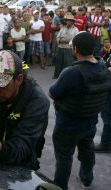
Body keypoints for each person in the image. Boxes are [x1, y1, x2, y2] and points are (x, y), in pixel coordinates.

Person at [49, 32, 111, 190]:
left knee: (64, 158)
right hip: (90, 122)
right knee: (87, 150)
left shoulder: (71, 72)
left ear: (75, 49)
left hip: (67, 125)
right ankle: (87, 179)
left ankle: (60, 186)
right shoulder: (103, 67)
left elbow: (53, 93)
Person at [53, 14, 78, 79]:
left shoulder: (75, 29)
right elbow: (58, 37)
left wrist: (68, 41)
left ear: (72, 21)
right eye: (67, 20)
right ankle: (57, 75)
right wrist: (61, 40)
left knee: (68, 63)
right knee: (59, 62)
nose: (68, 22)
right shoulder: (62, 28)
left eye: (70, 20)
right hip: (61, 47)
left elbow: (75, 39)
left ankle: (68, 77)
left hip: (69, 48)